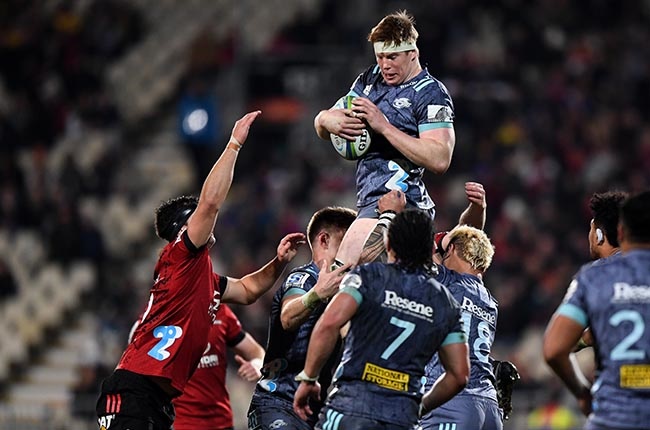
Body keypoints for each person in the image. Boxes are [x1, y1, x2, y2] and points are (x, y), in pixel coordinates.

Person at [96, 111, 306, 430]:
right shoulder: (179, 256)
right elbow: (210, 204)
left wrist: (279, 261)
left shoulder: (200, 276)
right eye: (196, 218)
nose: (208, 221)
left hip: (156, 401)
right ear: (185, 229)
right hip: (133, 392)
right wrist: (234, 144)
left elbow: (249, 291)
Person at [293, 209, 470, 429]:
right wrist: (420, 406)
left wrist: (309, 378)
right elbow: (460, 375)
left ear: (388, 245)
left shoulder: (368, 277)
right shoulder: (446, 302)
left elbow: (329, 323)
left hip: (351, 408)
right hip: (401, 418)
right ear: (431, 250)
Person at [313, 10, 456, 268]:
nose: (385, 65)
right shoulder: (370, 80)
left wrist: (384, 127)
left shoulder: (431, 93)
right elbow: (327, 120)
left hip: (403, 203)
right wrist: (324, 119)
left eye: (392, 57)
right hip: (370, 201)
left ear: (413, 53)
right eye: (380, 57)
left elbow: (440, 158)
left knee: (340, 278)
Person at [543, 190, 650, 429]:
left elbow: (553, 349)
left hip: (612, 415)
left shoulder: (595, 277)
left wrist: (582, 393)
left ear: (617, 233)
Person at [247, 206, 357, 430]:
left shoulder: (350, 289)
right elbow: (288, 317)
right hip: (280, 403)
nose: (355, 251)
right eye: (348, 242)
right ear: (324, 240)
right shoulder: (304, 277)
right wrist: (317, 294)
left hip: (321, 412)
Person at [419, 225, 503, 430]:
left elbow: (412, 251)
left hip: (449, 402)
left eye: (445, 249)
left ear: (454, 249)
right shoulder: (490, 302)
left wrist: (438, 245)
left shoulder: (445, 280)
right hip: (489, 405)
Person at [173, 304, 264, 430]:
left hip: (221, 421)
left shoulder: (220, 311)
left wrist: (257, 364)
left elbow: (257, 352)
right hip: (179, 423)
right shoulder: (162, 314)